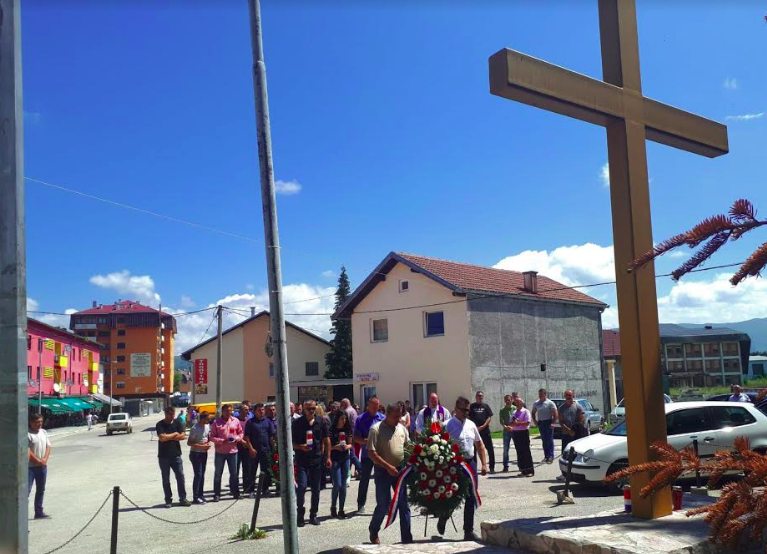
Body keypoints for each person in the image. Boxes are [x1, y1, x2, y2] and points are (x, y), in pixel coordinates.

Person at [435, 396, 488, 541]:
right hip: (453, 465)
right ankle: (444, 516)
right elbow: (438, 447)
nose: (466, 413)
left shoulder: (471, 425)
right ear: (456, 409)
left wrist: (484, 464)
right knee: (453, 495)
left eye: (468, 410)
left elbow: (480, 445)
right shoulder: (447, 425)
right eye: (464, 410)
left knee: (470, 496)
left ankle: (468, 531)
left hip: (470, 463)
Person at [367, 403, 413, 545]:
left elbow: (408, 446)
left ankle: (406, 538)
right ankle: (374, 530)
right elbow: (371, 453)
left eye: (399, 416)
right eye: (395, 417)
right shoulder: (376, 429)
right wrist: (387, 466)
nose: (398, 420)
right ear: (387, 414)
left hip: (400, 471)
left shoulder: (401, 428)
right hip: (382, 471)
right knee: (383, 504)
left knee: (404, 504)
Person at [292, 399, 331, 526]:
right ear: (303, 409)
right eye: (309, 409)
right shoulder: (297, 423)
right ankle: (300, 515)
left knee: (316, 489)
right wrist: (300, 447)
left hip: (317, 459)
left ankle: (313, 514)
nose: (311, 411)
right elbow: (291, 443)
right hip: (302, 459)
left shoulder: (321, 421)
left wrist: (328, 457)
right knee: (302, 487)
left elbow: (326, 440)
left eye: (313, 408)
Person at [353, 396, 385, 514]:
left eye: (377, 406)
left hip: (381, 454)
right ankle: (361, 504)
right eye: (373, 406)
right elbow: (356, 437)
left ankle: (383, 504)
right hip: (367, 455)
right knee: (364, 480)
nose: (375, 408)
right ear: (368, 406)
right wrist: (365, 441)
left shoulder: (383, 419)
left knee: (381, 480)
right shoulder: (360, 419)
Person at [156, 406, 191, 508]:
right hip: (163, 457)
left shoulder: (177, 422)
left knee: (180, 477)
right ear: (165, 414)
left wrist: (169, 436)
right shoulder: (160, 424)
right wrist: (175, 434)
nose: (172, 416)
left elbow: (183, 436)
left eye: (173, 414)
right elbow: (162, 438)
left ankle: (183, 498)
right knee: (166, 479)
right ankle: (168, 499)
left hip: (176, 455)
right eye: (170, 414)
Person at [208, 404, 244, 501]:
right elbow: (211, 437)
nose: (228, 412)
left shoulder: (235, 421)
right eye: (227, 411)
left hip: (233, 452)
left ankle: (235, 492)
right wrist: (221, 441)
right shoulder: (216, 422)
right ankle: (216, 494)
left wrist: (237, 438)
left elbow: (240, 433)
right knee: (218, 474)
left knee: (234, 474)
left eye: (230, 410)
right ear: (222, 411)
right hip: (220, 452)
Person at [244, 403, 276, 498]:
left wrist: (273, 449)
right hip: (254, 451)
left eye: (262, 410)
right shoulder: (250, 422)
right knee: (252, 471)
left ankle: (265, 489)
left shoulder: (268, 422)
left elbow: (271, 436)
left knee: (265, 471)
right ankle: (251, 491)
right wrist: (251, 449)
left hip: (266, 450)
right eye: (259, 410)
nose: (261, 411)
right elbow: (246, 437)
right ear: (255, 411)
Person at [329, 409, 353, 518]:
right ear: (337, 418)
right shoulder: (332, 430)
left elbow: (350, 444)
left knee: (344, 485)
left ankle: (341, 509)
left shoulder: (347, 429)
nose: (343, 421)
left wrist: (346, 447)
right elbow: (328, 446)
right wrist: (336, 447)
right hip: (335, 458)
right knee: (337, 484)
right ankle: (333, 506)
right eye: (341, 418)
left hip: (345, 458)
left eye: (345, 419)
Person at [28, 413, 52, 519]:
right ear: (31, 422)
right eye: (37, 422)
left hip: (42, 466)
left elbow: (48, 446)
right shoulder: (27, 434)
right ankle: (21, 516)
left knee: (41, 489)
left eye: (41, 421)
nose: (40, 424)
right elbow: (27, 451)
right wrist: (38, 461)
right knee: (26, 492)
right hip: (30, 468)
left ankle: (38, 512)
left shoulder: (43, 432)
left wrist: (45, 460)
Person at [187, 411, 211, 504]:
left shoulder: (207, 426)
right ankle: (195, 497)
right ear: (202, 419)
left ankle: (201, 495)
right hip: (195, 453)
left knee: (202, 475)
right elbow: (189, 443)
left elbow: (206, 438)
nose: (209, 420)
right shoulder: (195, 428)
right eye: (208, 419)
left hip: (204, 453)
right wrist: (201, 446)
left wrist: (207, 444)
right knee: (198, 475)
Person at [469, 391, 495, 473]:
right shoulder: (472, 406)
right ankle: (474, 468)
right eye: (479, 396)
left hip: (485, 431)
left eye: (481, 396)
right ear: (476, 396)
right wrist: (475, 427)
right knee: (474, 450)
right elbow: (468, 417)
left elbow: (489, 417)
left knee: (490, 449)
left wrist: (483, 426)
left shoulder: (486, 406)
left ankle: (491, 467)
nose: (480, 397)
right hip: (474, 431)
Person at [531, 388, 558, 464]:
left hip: (548, 422)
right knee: (544, 440)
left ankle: (550, 456)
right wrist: (535, 420)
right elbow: (533, 412)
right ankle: (546, 456)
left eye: (541, 394)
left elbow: (555, 414)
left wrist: (553, 423)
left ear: (545, 394)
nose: (540, 396)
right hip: (541, 423)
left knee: (549, 440)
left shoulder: (550, 403)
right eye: (539, 394)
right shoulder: (536, 403)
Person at [510, 397, 534, 477]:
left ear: (522, 403)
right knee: (519, 452)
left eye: (519, 402)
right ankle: (523, 470)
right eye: (516, 402)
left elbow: (527, 422)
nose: (517, 403)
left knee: (526, 452)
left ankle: (530, 470)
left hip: (524, 433)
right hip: (516, 433)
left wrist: (518, 423)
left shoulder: (526, 411)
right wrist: (513, 424)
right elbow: (511, 422)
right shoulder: (514, 412)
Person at [558, 390, 586, 455]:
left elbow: (582, 420)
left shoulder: (578, 407)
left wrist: (574, 430)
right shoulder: (561, 408)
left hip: (577, 434)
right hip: (566, 434)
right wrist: (569, 431)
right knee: (565, 453)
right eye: (567, 395)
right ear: (564, 396)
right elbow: (561, 422)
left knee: (577, 453)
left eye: (570, 395)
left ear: (573, 395)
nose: (568, 397)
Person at [235, 403, 252, 492]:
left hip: (246, 448)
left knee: (247, 468)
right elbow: (233, 434)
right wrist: (242, 441)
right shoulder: (235, 420)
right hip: (236, 448)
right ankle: (235, 488)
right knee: (235, 469)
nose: (247, 411)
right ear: (240, 411)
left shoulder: (249, 420)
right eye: (246, 410)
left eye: (248, 409)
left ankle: (246, 487)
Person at [499, 394, 514, 472]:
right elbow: (501, 421)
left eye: (509, 400)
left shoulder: (515, 409)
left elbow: (517, 419)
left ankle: (521, 465)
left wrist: (512, 427)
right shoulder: (502, 410)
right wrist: (505, 427)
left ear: (511, 400)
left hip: (515, 430)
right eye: (506, 400)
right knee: (505, 449)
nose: (508, 401)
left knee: (518, 448)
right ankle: (506, 466)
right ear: (504, 401)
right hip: (506, 430)